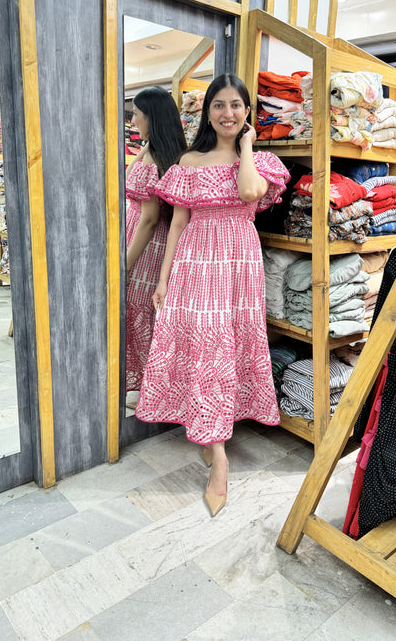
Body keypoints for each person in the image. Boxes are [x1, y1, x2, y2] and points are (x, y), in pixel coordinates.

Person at [136, 73, 290, 516]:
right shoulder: (187, 161)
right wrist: (163, 279)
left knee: (227, 347)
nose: (228, 113)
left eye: (236, 106)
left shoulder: (259, 162)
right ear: (207, 111)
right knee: (204, 348)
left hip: (239, 265)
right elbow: (178, 224)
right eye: (219, 105)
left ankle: (214, 444)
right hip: (194, 262)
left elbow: (248, 193)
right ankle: (216, 449)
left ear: (247, 112)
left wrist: (245, 148)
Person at [125, 86, 186, 395]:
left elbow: (148, 221)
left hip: (146, 243)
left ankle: (153, 390)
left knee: (140, 310)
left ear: (151, 117)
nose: (132, 118)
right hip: (151, 239)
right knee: (146, 314)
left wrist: (124, 265)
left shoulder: (153, 159)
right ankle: (152, 389)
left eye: (136, 113)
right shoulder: (158, 151)